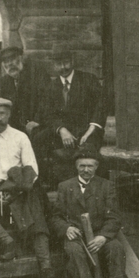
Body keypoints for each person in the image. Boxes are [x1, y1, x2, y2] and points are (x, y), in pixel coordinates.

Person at [50, 149, 135, 278]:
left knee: (116, 248)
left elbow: (114, 217)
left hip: (100, 235)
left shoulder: (106, 186)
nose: (86, 170)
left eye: (90, 166)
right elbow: (55, 217)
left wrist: (103, 236)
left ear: (96, 167)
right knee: (75, 252)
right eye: (82, 166)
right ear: (76, 166)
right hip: (77, 237)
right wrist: (66, 228)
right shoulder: (65, 187)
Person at [0, 97, 48, 272]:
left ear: (9, 114)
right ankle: (6, 241)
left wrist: (18, 190)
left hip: (19, 187)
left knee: (35, 218)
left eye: (2, 113)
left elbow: (31, 168)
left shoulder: (20, 137)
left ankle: (46, 267)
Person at [32, 49, 106, 188]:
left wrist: (91, 130)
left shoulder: (88, 79)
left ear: (72, 61)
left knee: (87, 150)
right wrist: (61, 130)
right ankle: (44, 182)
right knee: (38, 139)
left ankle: (89, 186)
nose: (63, 67)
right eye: (58, 64)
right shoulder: (51, 87)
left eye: (66, 62)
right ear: (54, 65)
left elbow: (100, 107)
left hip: (87, 129)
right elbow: (47, 114)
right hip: (63, 132)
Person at [0, 45, 47, 135]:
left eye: (12, 59)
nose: (9, 64)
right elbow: (2, 105)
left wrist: (36, 121)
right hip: (15, 126)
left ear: (21, 58)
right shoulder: (5, 81)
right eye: (6, 61)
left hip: (36, 123)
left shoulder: (36, 74)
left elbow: (45, 101)